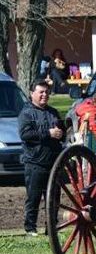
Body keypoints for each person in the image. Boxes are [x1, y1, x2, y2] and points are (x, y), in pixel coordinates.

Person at [18, 81, 65, 236]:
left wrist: (61, 133)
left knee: (54, 198)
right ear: (32, 94)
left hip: (54, 162)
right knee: (34, 198)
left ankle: (51, 229)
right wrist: (48, 133)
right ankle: (30, 229)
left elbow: (62, 130)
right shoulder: (26, 113)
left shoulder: (53, 112)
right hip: (35, 163)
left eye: (46, 92)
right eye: (41, 92)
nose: (44, 95)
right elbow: (26, 135)